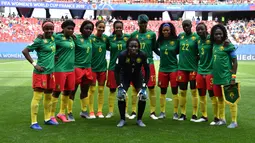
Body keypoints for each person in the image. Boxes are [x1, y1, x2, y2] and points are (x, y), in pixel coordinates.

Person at [22, 20, 58, 130]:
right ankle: (33, 122)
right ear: (43, 29)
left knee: (48, 96)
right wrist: (35, 64)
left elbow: (63, 33)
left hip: (50, 73)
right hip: (40, 73)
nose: (49, 30)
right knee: (37, 97)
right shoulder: (39, 40)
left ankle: (47, 119)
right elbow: (25, 51)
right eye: (46, 28)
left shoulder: (53, 38)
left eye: (51, 28)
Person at [115, 38, 150, 127]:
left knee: (143, 95)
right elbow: (116, 71)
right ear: (127, 47)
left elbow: (147, 70)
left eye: (136, 46)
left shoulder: (143, 55)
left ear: (139, 47)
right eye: (131, 46)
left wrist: (145, 83)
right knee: (121, 95)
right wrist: (119, 85)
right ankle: (122, 119)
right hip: (125, 75)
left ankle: (139, 120)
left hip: (137, 75)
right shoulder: (122, 55)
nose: (133, 48)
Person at [130, 14, 160, 120]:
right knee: (134, 88)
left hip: (149, 63)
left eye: (145, 22)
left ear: (147, 23)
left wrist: (164, 55)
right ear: (138, 23)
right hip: (136, 64)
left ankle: (152, 112)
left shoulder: (152, 35)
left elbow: (155, 48)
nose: (143, 24)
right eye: (141, 22)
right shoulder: (133, 34)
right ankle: (133, 111)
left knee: (151, 88)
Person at [210, 24, 238, 128]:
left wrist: (233, 77)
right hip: (216, 78)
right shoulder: (213, 45)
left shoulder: (228, 45)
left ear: (224, 34)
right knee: (220, 99)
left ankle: (234, 121)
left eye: (220, 34)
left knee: (231, 99)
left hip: (227, 77)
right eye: (216, 34)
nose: (218, 36)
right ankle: (222, 119)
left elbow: (235, 61)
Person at [67, 20, 94, 121]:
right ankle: (69, 112)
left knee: (85, 90)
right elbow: (62, 36)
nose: (89, 30)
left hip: (88, 68)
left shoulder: (91, 39)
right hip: (77, 68)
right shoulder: (75, 38)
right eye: (86, 28)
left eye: (91, 29)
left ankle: (84, 111)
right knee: (72, 91)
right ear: (82, 29)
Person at [50, 20, 76, 123]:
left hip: (70, 69)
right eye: (68, 28)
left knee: (68, 91)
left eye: (72, 29)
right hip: (60, 69)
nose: (70, 30)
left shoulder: (72, 38)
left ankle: (61, 113)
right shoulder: (56, 37)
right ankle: (51, 115)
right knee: (56, 91)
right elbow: (47, 45)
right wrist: (52, 56)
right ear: (63, 28)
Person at [195, 22, 219, 123]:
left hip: (210, 71)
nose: (200, 31)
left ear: (206, 29)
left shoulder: (212, 39)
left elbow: (220, 43)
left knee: (212, 94)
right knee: (201, 94)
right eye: (198, 30)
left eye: (202, 29)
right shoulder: (198, 41)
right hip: (200, 70)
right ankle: (204, 116)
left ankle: (216, 117)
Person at [106, 20, 130, 118]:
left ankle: (125, 112)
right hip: (113, 67)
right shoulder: (110, 38)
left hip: (125, 68)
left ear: (122, 28)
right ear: (114, 28)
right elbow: (107, 47)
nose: (119, 29)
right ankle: (110, 111)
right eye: (117, 28)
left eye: (120, 27)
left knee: (124, 90)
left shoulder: (127, 38)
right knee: (112, 89)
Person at [156, 22, 179, 119]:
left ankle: (175, 112)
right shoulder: (160, 41)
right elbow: (154, 48)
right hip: (163, 69)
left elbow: (178, 50)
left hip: (173, 68)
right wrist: (160, 54)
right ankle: (162, 112)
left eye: (167, 30)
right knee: (163, 91)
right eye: (164, 30)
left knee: (174, 91)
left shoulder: (176, 40)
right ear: (161, 31)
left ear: (171, 31)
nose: (166, 32)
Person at [177, 19, 199, 121]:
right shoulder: (180, 36)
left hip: (193, 68)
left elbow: (202, 49)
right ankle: (183, 114)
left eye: (187, 26)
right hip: (181, 68)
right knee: (182, 92)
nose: (186, 28)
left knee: (194, 91)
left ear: (191, 25)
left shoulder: (196, 37)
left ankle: (194, 114)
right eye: (184, 26)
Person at [88, 20, 109, 118]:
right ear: (96, 27)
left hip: (103, 68)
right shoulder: (91, 38)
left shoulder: (105, 38)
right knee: (92, 90)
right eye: (99, 27)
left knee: (101, 90)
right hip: (93, 68)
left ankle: (99, 111)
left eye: (103, 27)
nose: (101, 29)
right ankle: (91, 111)